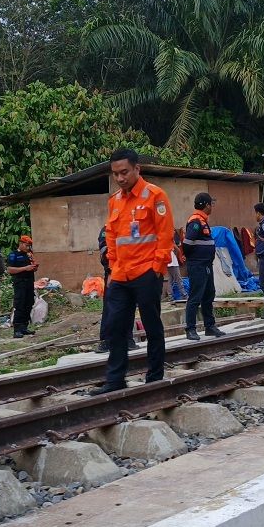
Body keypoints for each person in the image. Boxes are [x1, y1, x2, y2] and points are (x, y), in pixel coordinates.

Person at [91, 149, 174, 394]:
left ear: (137, 169)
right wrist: (114, 266)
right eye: (116, 174)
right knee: (116, 328)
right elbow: (112, 235)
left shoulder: (155, 196)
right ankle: (115, 380)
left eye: (124, 172)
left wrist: (156, 268)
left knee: (152, 325)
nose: (120, 178)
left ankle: (154, 377)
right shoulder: (114, 200)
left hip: (146, 273)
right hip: (120, 275)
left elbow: (165, 234)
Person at [182, 192, 224, 341]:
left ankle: (209, 326)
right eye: (211, 204)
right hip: (198, 265)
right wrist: (193, 258)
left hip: (206, 264)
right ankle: (191, 329)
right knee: (195, 296)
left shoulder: (203, 221)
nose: (212, 207)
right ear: (206, 205)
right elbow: (187, 244)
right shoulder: (196, 221)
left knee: (208, 294)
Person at [96, 224, 137, 353]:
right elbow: (105, 251)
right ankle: (106, 341)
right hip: (114, 273)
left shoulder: (134, 225)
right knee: (110, 308)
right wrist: (109, 270)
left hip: (132, 272)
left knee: (130, 306)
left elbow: (138, 246)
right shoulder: (107, 228)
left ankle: (128, 338)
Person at [7, 236, 38, 337]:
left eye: (29, 246)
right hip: (20, 283)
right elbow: (10, 270)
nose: (28, 247)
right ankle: (17, 329)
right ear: (20, 243)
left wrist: (34, 266)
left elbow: (32, 268)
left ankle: (24, 327)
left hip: (29, 283)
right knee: (20, 305)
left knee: (28, 304)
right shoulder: (13, 255)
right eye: (26, 245)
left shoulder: (28, 255)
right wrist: (25, 268)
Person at [163, 231, 185, 301]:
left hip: (168, 262)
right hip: (173, 262)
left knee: (170, 280)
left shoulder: (165, 240)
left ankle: (170, 297)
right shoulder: (170, 240)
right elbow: (178, 249)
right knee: (178, 279)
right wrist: (177, 253)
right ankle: (184, 295)